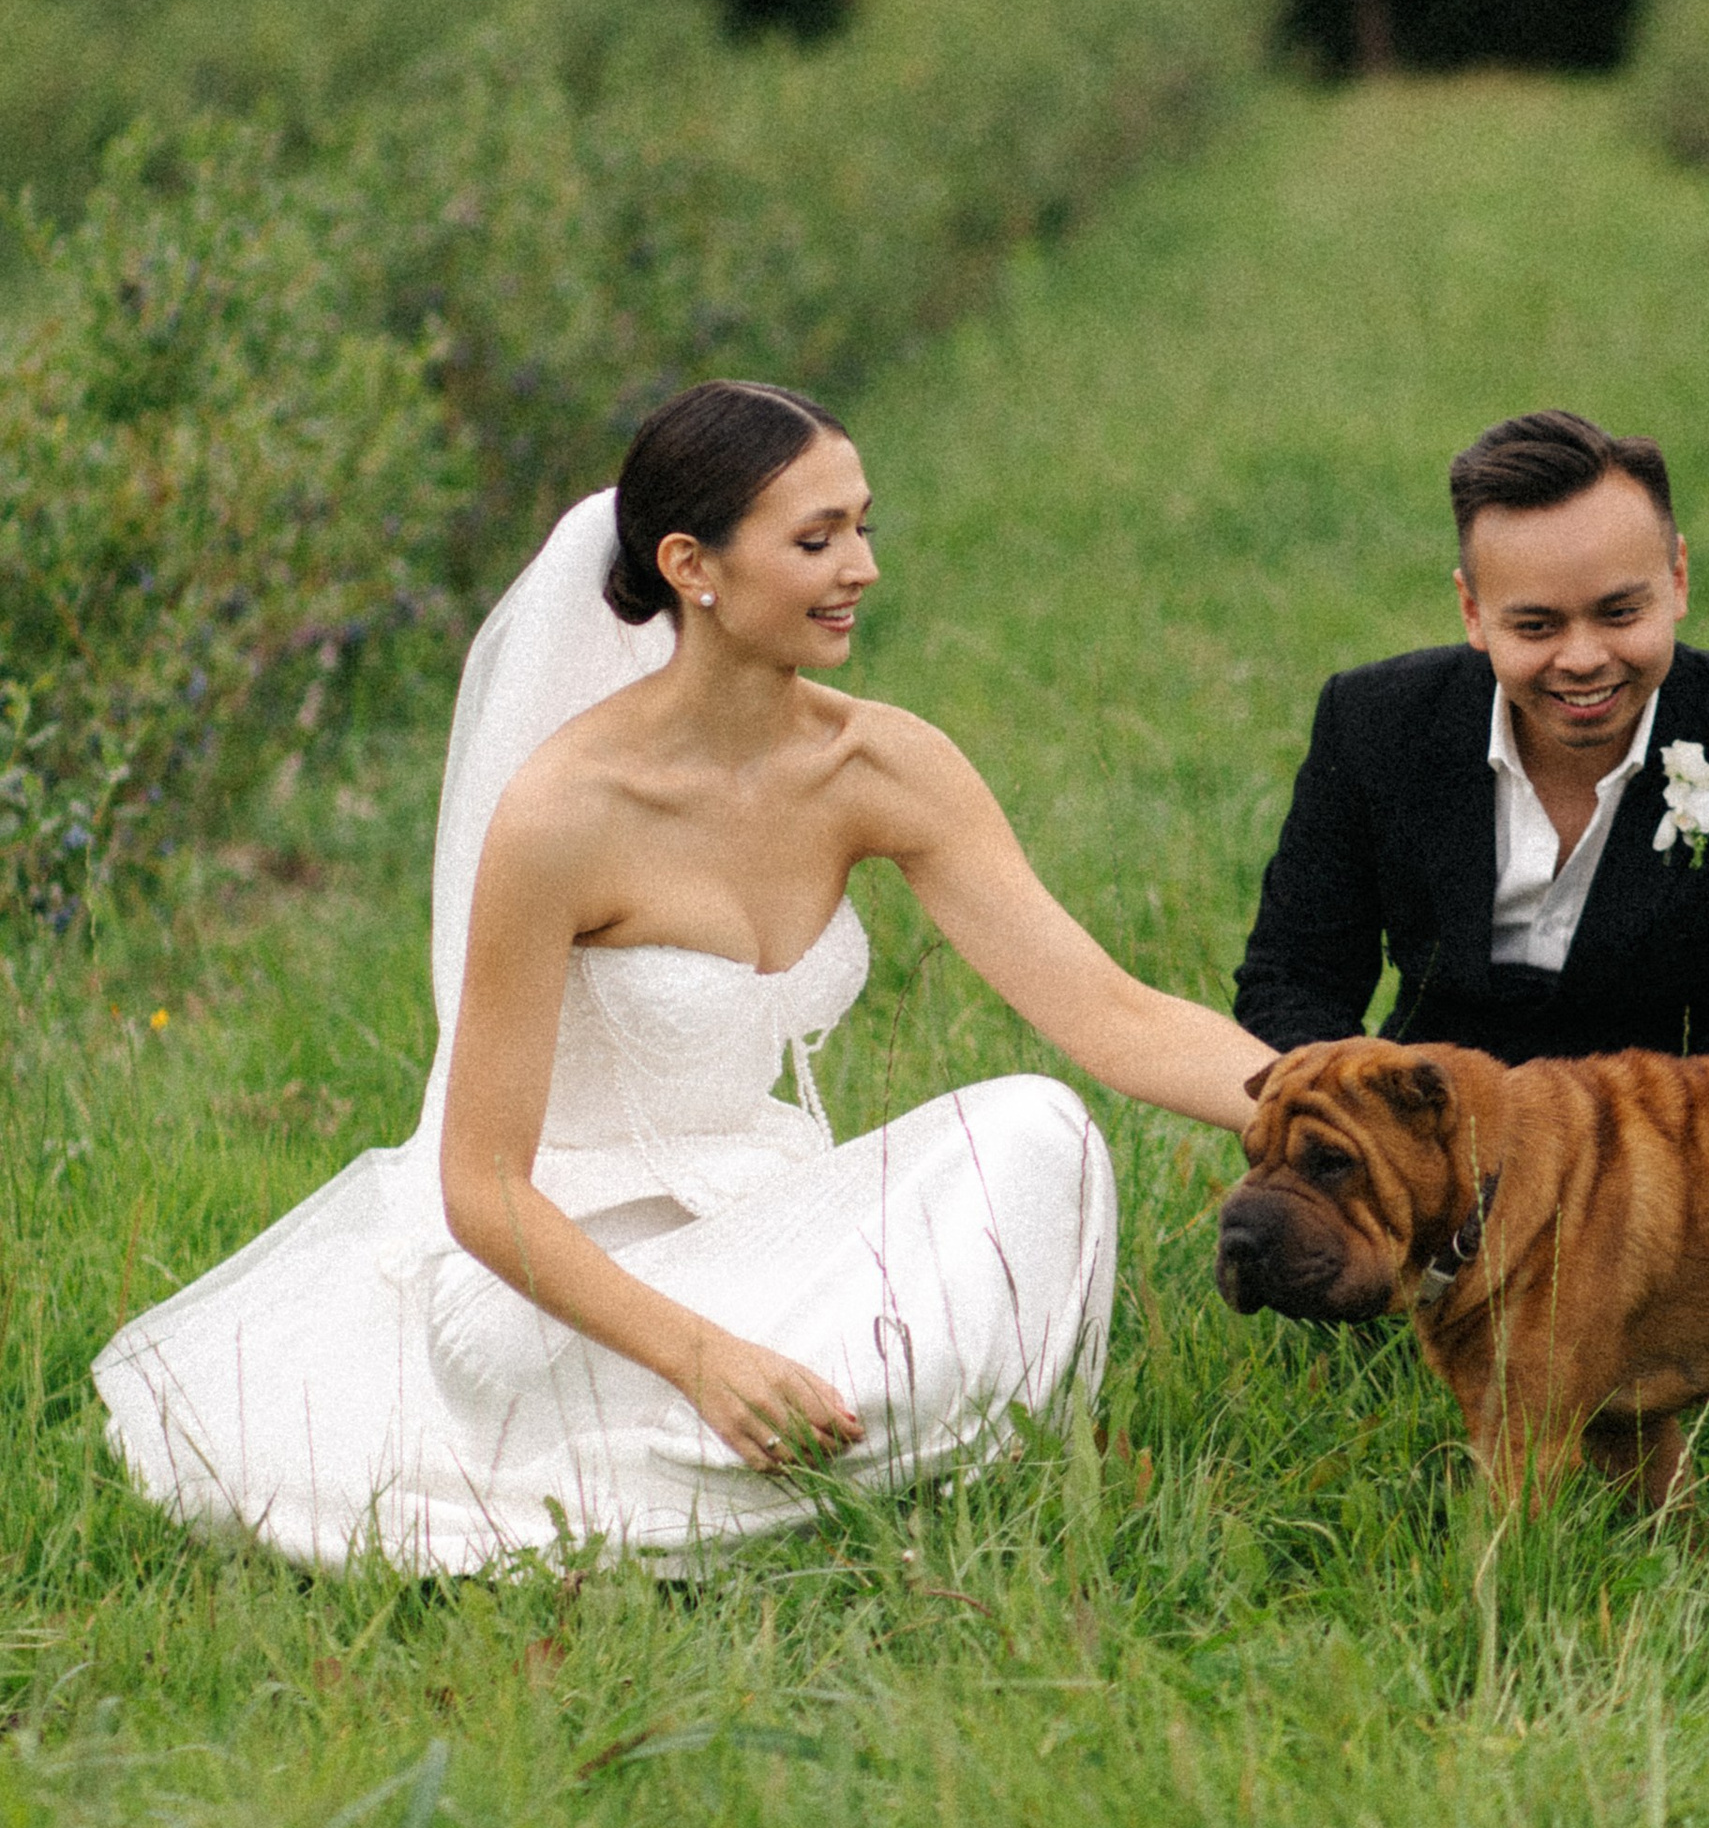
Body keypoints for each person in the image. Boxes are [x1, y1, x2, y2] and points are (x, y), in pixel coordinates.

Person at [97, 381, 1270, 1573]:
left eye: (864, 526)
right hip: (563, 1284)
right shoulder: (566, 813)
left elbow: (1112, 1016)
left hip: (759, 1215)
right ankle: (770, 1467)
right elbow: (482, 1187)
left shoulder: (886, 763)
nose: (859, 565)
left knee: (1037, 1130)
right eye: (815, 540)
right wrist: (701, 1354)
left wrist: (1350, 1101)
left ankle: (809, 1454)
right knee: (654, 1368)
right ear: (689, 566)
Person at [1234, 407, 1709, 1068]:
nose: (1583, 657)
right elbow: (1295, 983)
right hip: (1443, 1142)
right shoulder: (1376, 721)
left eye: (1621, 613)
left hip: (1689, 1157)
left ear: (1677, 580)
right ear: (1473, 613)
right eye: (1536, 627)